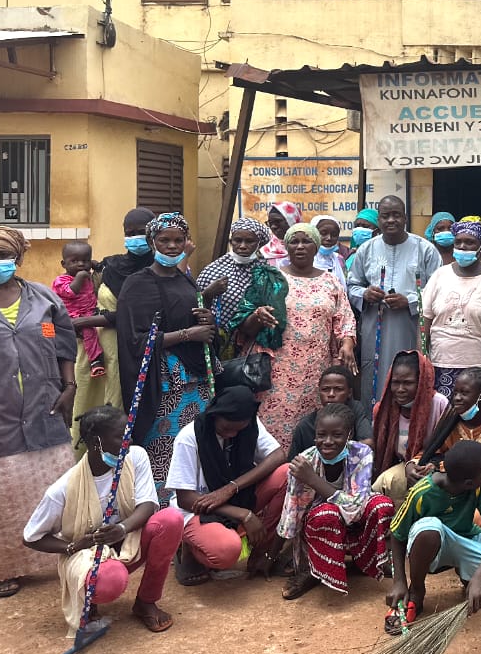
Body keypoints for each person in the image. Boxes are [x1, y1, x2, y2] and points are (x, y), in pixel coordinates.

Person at [0, 226, 77, 598]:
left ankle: (62, 555)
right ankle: (5, 568)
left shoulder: (44, 300)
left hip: (45, 408)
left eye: (0, 255)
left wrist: (69, 386)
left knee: (52, 490)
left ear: (17, 259)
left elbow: (64, 343)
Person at [23, 405, 182, 632]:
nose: (128, 440)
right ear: (96, 442)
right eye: (120, 436)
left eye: (129, 433)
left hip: (129, 540)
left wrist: (122, 528)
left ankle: (146, 601)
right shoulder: (62, 490)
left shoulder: (135, 456)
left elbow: (147, 504)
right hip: (88, 554)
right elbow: (31, 537)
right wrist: (71, 547)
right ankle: (90, 599)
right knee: (111, 580)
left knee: (171, 520)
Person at [115, 213, 217, 502]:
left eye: (178, 240)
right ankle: (159, 513)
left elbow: (197, 320)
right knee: (163, 449)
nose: (173, 246)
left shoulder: (186, 281)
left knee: (192, 448)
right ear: (152, 242)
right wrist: (189, 335)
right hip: (163, 386)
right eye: (165, 240)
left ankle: (193, 508)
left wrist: (208, 319)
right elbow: (136, 337)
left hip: (196, 384)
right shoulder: (138, 284)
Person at [239, 223, 357, 450]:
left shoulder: (330, 281)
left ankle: (308, 479)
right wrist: (257, 315)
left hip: (317, 370)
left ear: (317, 246)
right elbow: (243, 323)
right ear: (286, 246)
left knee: (314, 430)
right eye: (294, 241)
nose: (300, 247)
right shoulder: (270, 279)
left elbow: (345, 320)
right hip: (276, 372)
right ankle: (273, 479)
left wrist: (348, 343)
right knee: (273, 433)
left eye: (306, 241)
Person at [386, 440, 481, 629]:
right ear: (468, 483)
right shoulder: (422, 492)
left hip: (464, 538)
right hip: (432, 546)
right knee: (430, 529)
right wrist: (399, 582)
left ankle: (469, 578)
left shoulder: (480, 486)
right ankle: (416, 590)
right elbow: (396, 534)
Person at [165, 386, 288, 584]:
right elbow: (185, 499)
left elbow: (279, 455)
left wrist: (231, 488)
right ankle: (188, 547)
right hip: (198, 509)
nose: (231, 434)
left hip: (238, 496)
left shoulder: (249, 424)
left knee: (287, 473)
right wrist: (243, 514)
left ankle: (262, 552)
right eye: (226, 429)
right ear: (214, 415)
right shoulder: (189, 438)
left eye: (238, 430)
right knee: (226, 551)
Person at [276, 402, 394, 599]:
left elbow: (355, 507)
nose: (327, 441)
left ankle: (366, 560)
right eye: (321, 435)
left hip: (355, 517)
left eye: (337, 435)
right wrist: (272, 554)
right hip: (319, 525)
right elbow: (292, 512)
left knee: (382, 506)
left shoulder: (361, 454)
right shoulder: (305, 461)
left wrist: (312, 479)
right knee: (327, 514)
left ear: (349, 434)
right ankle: (313, 571)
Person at [347, 195, 441, 406]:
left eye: (396, 215)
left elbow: (438, 290)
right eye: (385, 216)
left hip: (412, 328)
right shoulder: (366, 250)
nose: (391, 220)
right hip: (374, 329)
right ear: (379, 220)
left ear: (405, 218)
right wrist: (365, 294)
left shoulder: (425, 249)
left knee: (410, 377)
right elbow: (352, 285)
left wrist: (410, 301)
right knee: (375, 384)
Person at [79, 207, 156, 449]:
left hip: (136, 349)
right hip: (99, 351)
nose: (134, 237)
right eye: (129, 232)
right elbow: (89, 301)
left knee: (125, 404)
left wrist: (88, 321)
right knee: (92, 407)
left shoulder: (159, 271)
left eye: (141, 232)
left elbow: (141, 314)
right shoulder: (109, 266)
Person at [421, 219, 481, 397]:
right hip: (440, 364)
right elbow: (424, 319)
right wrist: (423, 356)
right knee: (443, 419)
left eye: (470, 242)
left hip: (478, 365)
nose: (462, 246)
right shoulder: (440, 275)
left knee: (474, 420)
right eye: (458, 242)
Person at [410, 366, 481, 492]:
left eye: (464, 393)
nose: (457, 398)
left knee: (476, 513)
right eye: (455, 393)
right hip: (452, 486)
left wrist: (473, 470)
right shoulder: (451, 419)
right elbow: (431, 452)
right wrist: (412, 465)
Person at [371, 351, 449, 505]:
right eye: (395, 382)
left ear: (421, 382)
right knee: (383, 483)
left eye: (407, 383)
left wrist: (423, 464)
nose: (400, 389)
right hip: (404, 465)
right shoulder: (383, 410)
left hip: (436, 465)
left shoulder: (439, 404)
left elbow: (448, 446)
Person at [195, 218, 271, 358]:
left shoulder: (266, 272)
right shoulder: (213, 270)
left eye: (249, 241)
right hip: (216, 343)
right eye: (237, 240)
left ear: (259, 243)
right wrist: (209, 293)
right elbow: (196, 305)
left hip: (252, 347)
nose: (242, 246)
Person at [288, 365, 374, 460]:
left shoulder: (355, 410)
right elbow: (292, 464)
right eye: (325, 390)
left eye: (338, 389)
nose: (331, 394)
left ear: (349, 393)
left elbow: (368, 443)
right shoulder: (305, 425)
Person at [53, 241, 104, 380]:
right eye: (74, 261)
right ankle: (95, 361)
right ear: (64, 264)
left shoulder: (87, 275)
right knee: (89, 333)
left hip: (90, 310)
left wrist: (95, 265)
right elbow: (71, 292)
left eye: (85, 260)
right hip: (73, 315)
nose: (80, 264)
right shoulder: (61, 280)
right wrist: (80, 277)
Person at [306, 215, 349, 288]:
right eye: (323, 233)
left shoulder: (339, 259)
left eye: (334, 234)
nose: (329, 238)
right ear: (313, 234)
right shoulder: (304, 258)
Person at [344, 207, 380, 274]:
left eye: (365, 226)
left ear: (377, 230)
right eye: (357, 226)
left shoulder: (381, 255)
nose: (360, 229)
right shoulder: (351, 256)